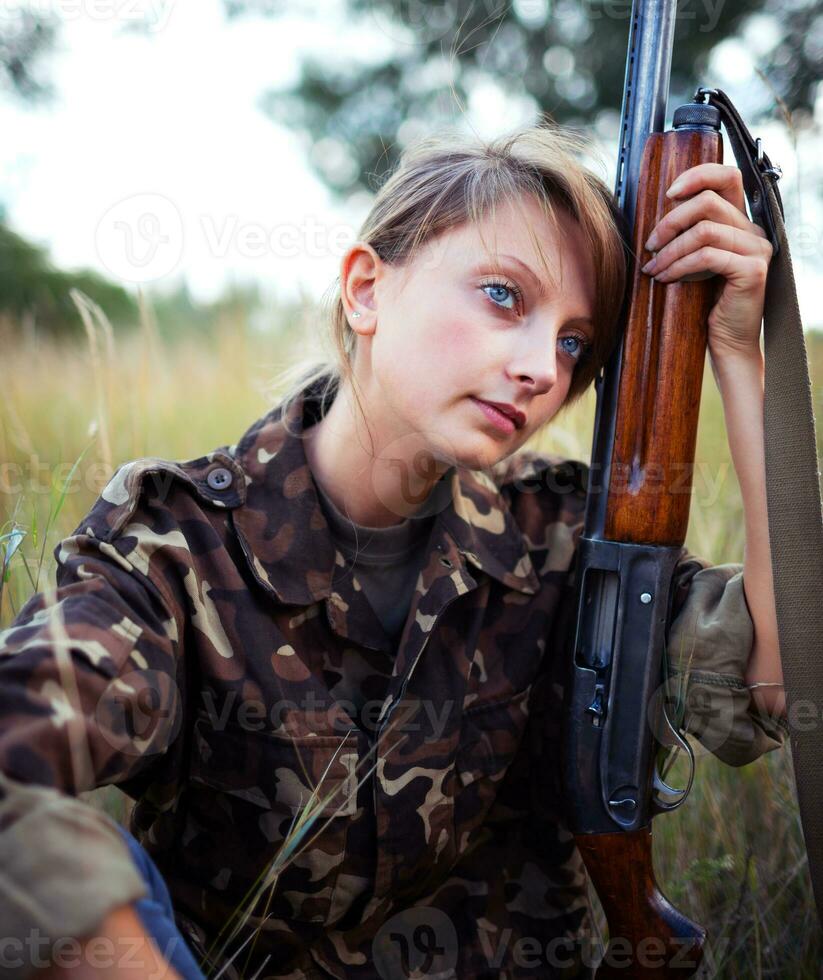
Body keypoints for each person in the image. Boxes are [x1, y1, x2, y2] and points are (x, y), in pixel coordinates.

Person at [0, 123, 788, 980]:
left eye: (572, 343)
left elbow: (773, 682)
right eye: (502, 296)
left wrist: (738, 355)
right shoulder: (178, 544)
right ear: (365, 288)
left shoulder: (562, 538)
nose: (540, 369)